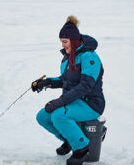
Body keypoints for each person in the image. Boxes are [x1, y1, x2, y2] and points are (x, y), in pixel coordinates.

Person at [32, 15, 105, 165]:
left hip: (91, 104)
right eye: (62, 42)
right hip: (75, 101)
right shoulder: (68, 57)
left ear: (74, 40)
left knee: (58, 115)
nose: (63, 45)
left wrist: (60, 102)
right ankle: (70, 140)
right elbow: (65, 80)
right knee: (43, 116)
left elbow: (85, 86)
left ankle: (82, 148)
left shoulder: (89, 57)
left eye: (65, 42)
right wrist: (45, 83)